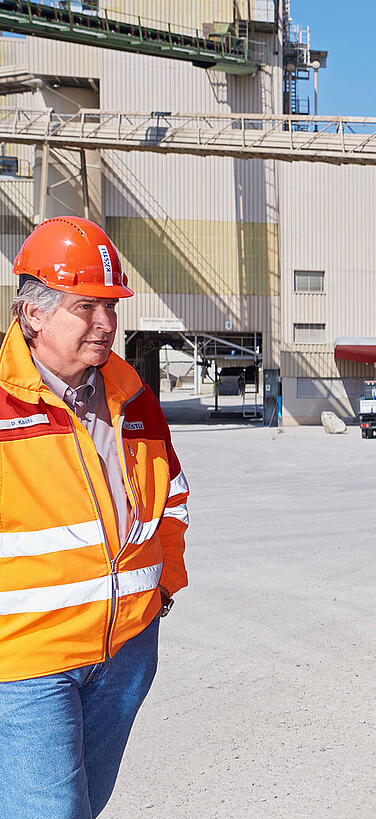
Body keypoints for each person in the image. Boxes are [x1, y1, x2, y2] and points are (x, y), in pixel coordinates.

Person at [0, 216, 190, 819]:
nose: (107, 324)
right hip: (30, 662)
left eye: (112, 306)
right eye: (88, 307)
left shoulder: (129, 394)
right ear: (33, 313)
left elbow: (172, 498)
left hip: (126, 651)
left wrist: (160, 588)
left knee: (83, 804)